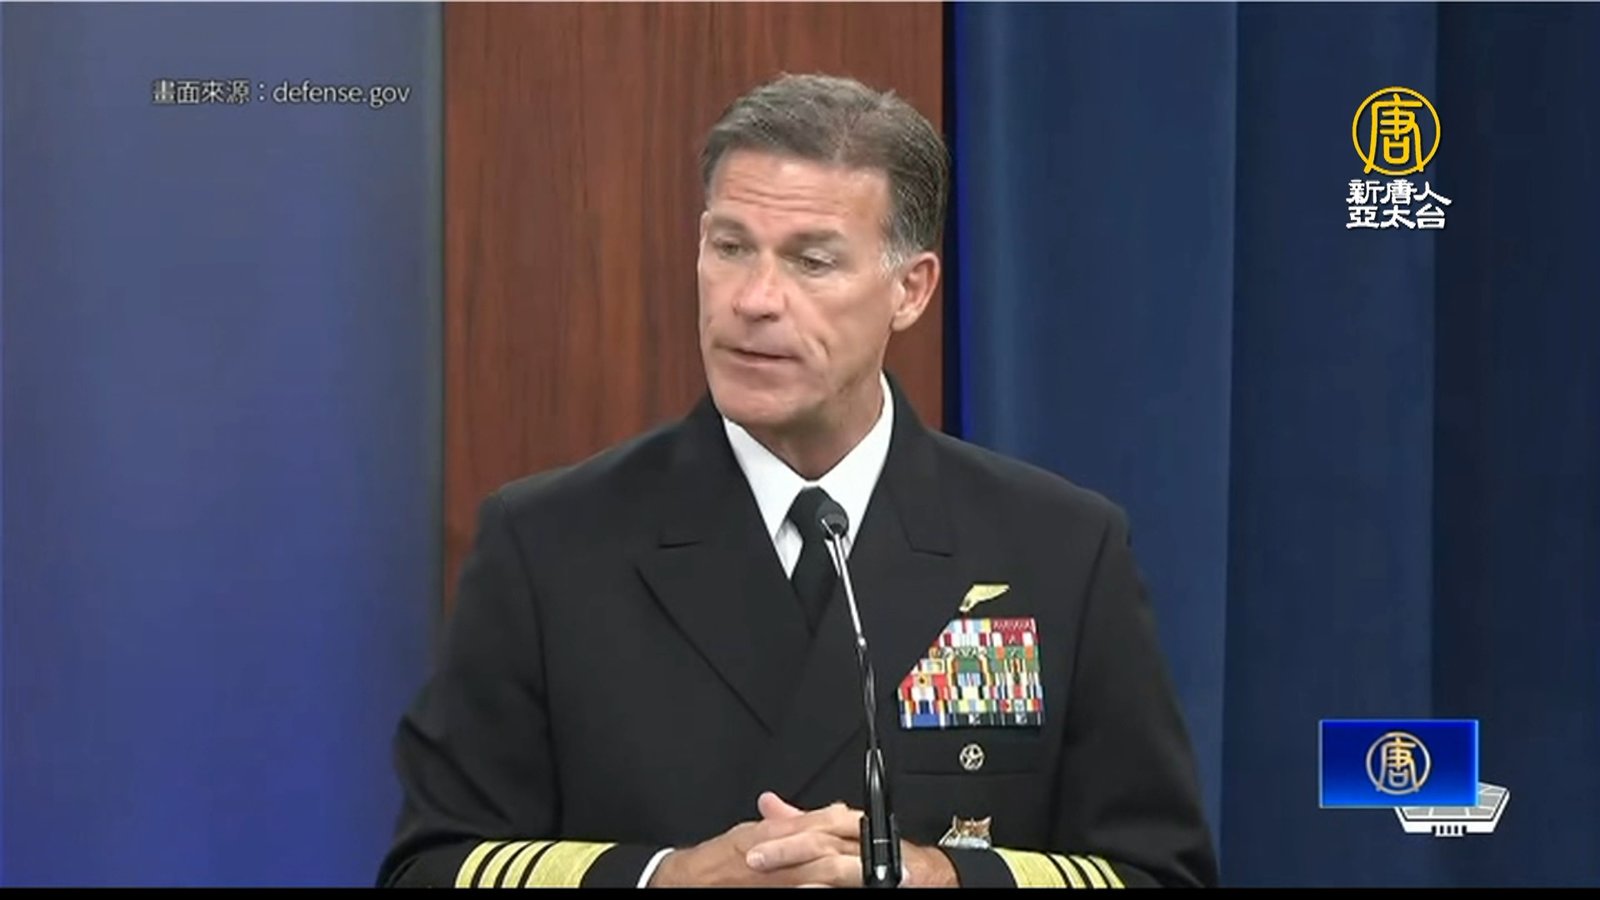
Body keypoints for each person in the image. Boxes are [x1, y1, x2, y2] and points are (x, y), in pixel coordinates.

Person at [377, 72, 1218, 889]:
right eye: (730, 248)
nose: (754, 299)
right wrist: (665, 880)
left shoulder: (1059, 550)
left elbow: (1157, 872)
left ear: (911, 290)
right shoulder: (549, 544)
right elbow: (431, 868)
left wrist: (943, 877)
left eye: (811, 261)